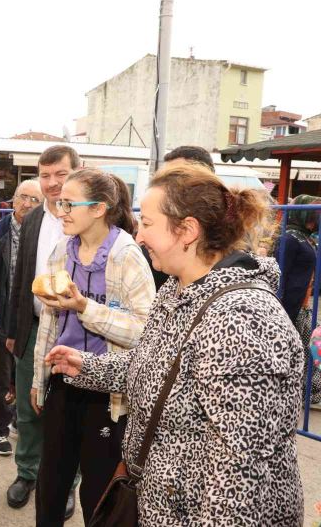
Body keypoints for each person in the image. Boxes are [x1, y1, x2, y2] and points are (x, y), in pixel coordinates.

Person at [46, 162, 304, 526]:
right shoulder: (177, 289)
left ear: (187, 231)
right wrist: (87, 367)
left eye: (148, 224)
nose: (139, 236)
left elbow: (240, 482)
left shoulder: (242, 320)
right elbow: (159, 369)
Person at [32, 169, 156, 525]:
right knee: (51, 482)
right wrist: (40, 378)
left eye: (70, 204)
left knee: (98, 490)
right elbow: (49, 323)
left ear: (99, 208)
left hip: (106, 392)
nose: (61, 211)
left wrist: (85, 307)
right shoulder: (61, 251)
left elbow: (146, 332)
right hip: (63, 380)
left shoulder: (127, 256)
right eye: (59, 203)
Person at [5, 145, 81, 514]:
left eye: (60, 175)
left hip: (75, 331)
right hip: (32, 327)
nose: (52, 184)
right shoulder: (33, 218)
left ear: (76, 173)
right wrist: (12, 329)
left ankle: (66, 482)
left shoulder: (89, 217)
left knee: (67, 412)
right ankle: (27, 472)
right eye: (45, 175)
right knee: (27, 406)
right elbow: (19, 277)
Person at [0, 179, 43, 456]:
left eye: (35, 200)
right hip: (1, 317)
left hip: (30, 319)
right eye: (23, 198)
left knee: (26, 377)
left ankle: (19, 420)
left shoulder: (44, 233)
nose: (28, 205)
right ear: (13, 200)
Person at [278, 194, 320, 324]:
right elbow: (280, 273)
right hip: (286, 302)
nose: (317, 217)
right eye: (314, 214)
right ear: (302, 213)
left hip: (298, 299)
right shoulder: (290, 238)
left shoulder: (305, 236)